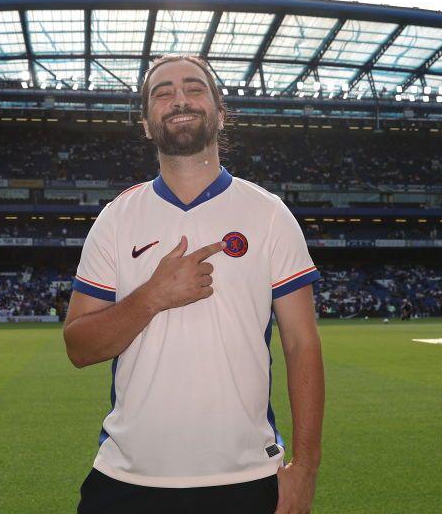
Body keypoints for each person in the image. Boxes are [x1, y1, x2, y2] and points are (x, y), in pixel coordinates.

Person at [65, 54, 323, 514]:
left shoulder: (268, 214)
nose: (179, 98)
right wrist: (153, 296)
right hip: (126, 480)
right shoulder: (116, 219)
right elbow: (79, 347)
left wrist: (305, 467)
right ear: (146, 123)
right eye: (162, 93)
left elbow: (302, 343)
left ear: (221, 112)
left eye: (194, 88)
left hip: (247, 478)